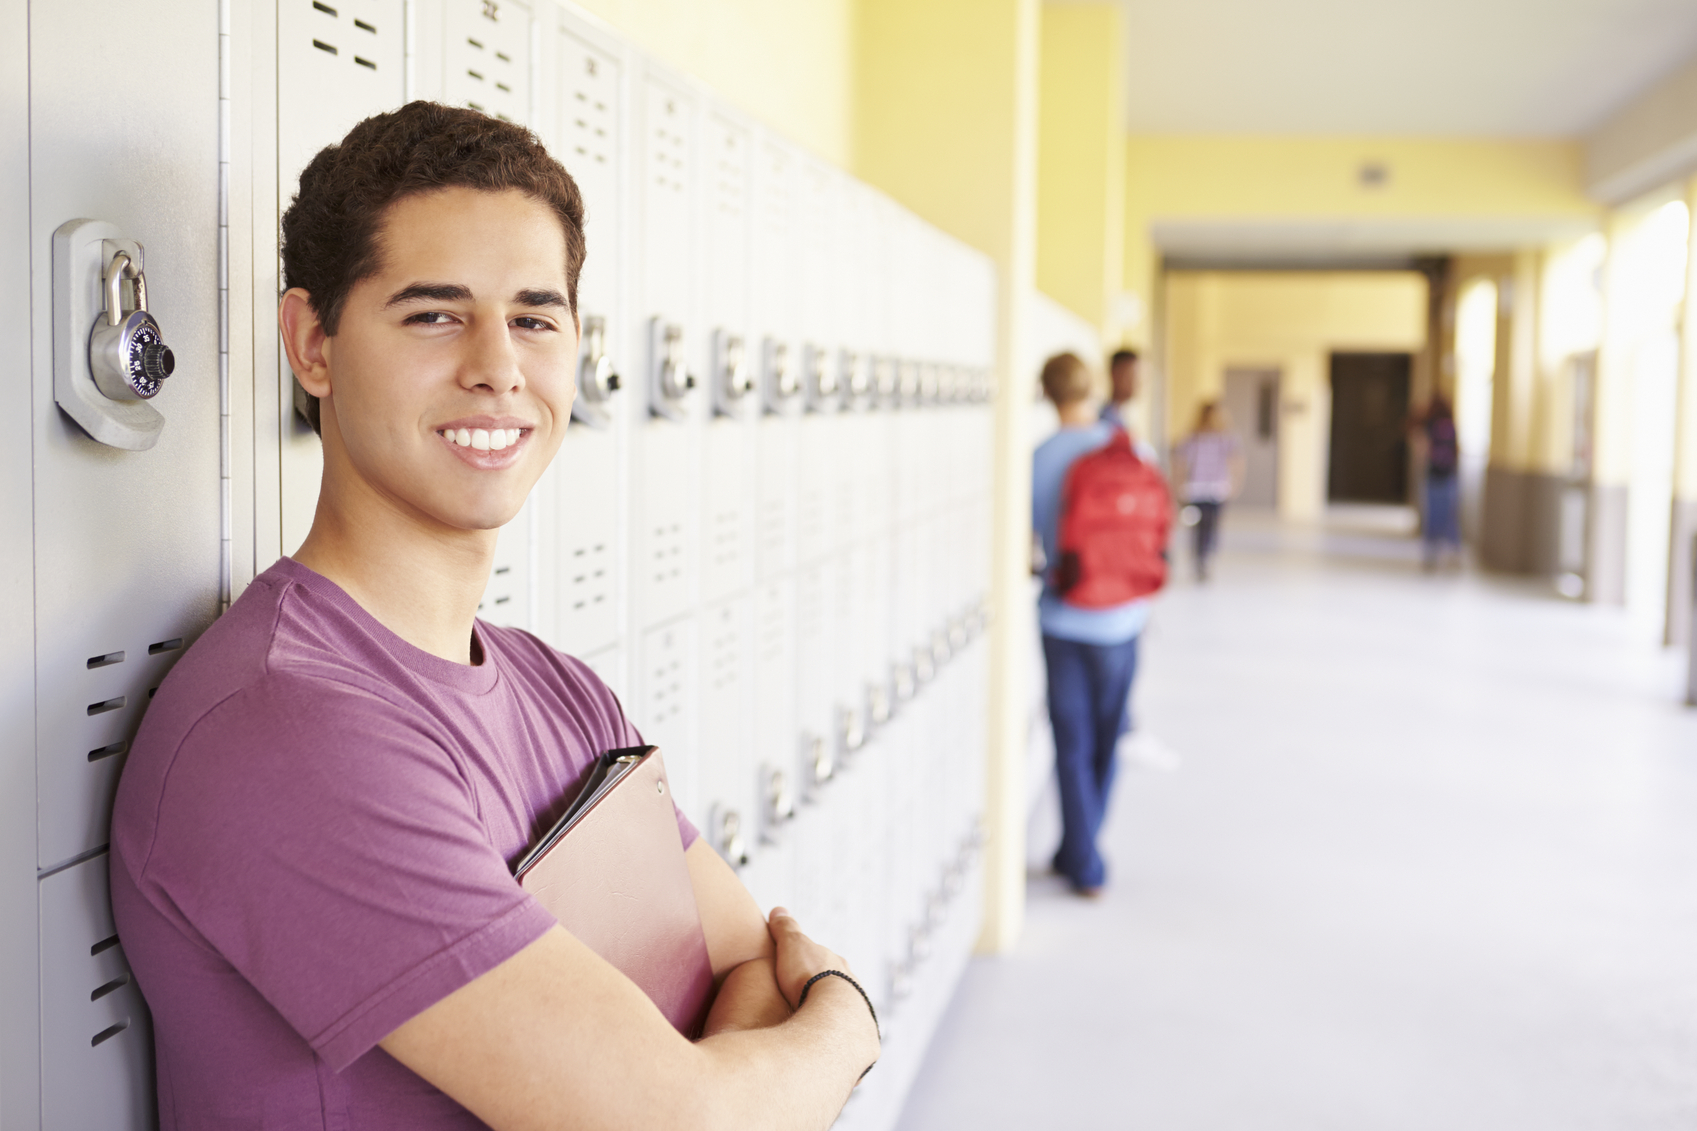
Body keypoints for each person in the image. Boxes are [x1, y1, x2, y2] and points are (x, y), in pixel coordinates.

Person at [109, 102, 877, 1130]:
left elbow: (746, 969)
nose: (498, 366)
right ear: (312, 345)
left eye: (534, 316)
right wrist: (846, 1021)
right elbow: (690, 1114)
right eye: (433, 313)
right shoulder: (283, 729)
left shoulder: (561, 692)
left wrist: (711, 1075)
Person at [1032, 352, 1160, 898]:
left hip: (1063, 618)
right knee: (1109, 739)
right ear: (1092, 389)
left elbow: (1033, 540)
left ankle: (1080, 856)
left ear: (1046, 394)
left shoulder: (1039, 457)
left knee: (1071, 742)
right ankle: (1081, 853)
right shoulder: (1131, 447)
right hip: (1123, 620)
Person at [1172, 401, 1244, 581]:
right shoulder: (1192, 437)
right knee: (1198, 526)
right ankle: (1199, 557)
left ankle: (1206, 556)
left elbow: (1237, 461)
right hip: (1196, 489)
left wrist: (1235, 483)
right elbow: (1180, 461)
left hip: (1217, 488)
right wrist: (1178, 484)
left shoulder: (1226, 438)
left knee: (1212, 525)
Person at [1412, 393, 1462, 569]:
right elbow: (1457, 450)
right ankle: (1455, 554)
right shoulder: (1451, 425)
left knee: (1432, 516)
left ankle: (1430, 556)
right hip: (1449, 476)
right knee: (1449, 516)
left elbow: (1422, 450)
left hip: (1433, 475)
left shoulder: (1430, 425)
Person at [1099, 348, 1139, 428]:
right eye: (1131, 375)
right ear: (1114, 374)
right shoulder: (1105, 421)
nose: (1136, 382)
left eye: (1138, 376)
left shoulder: (1125, 416)